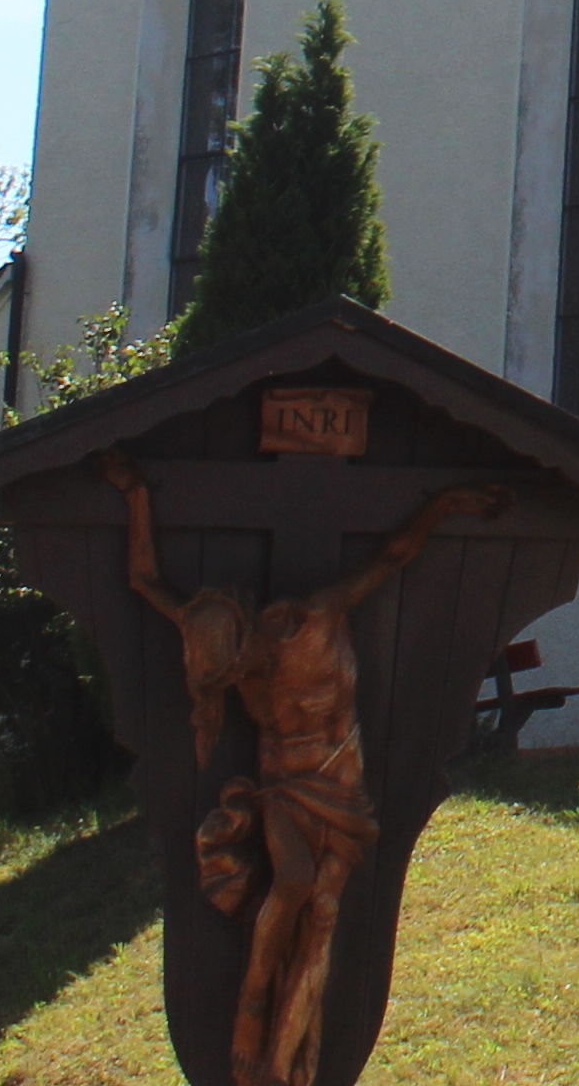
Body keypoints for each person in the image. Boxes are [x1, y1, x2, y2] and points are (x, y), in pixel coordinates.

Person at [100, 448, 503, 1086]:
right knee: (289, 883)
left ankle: (289, 1054)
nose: (241, 682)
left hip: (340, 780)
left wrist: (444, 505)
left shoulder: (317, 618)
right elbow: (145, 582)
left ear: (249, 631)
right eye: (231, 679)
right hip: (282, 787)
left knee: (322, 914)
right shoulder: (214, 636)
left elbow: (392, 557)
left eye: (240, 669)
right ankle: (252, 1012)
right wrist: (135, 496)